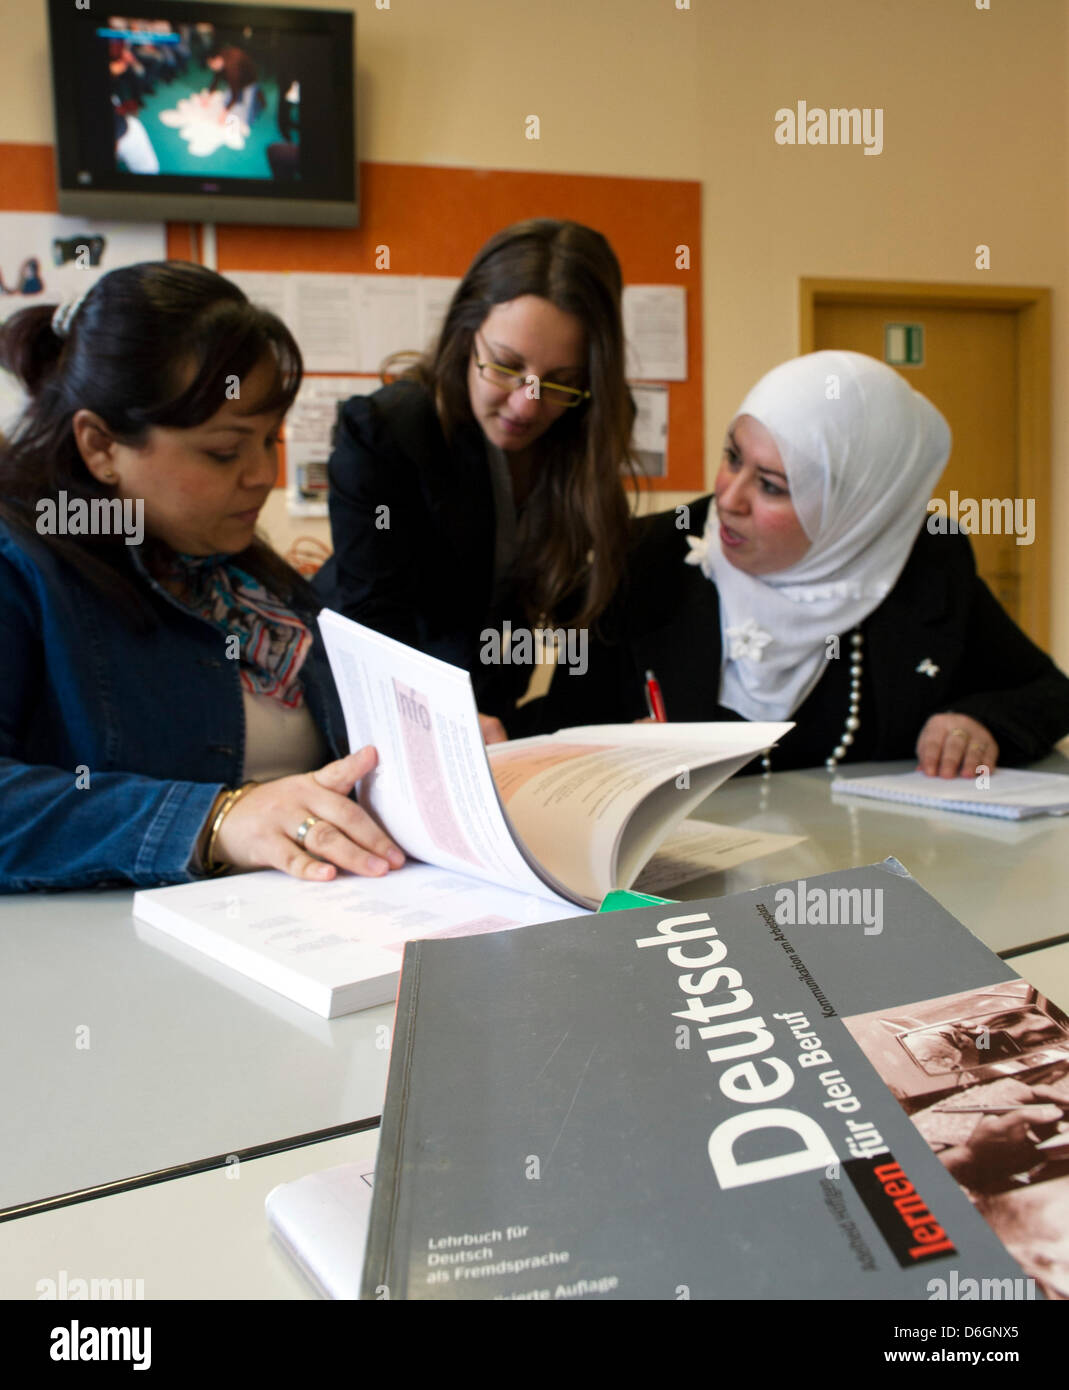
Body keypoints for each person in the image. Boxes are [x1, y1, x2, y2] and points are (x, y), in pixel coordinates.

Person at [0, 262, 403, 892]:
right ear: (101, 447)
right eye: (223, 451)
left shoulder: (236, 565)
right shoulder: (20, 566)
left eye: (270, 439)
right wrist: (215, 820)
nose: (259, 475)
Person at [544, 351, 1069, 774]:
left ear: (854, 512)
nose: (730, 498)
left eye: (772, 486)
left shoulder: (924, 565)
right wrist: (609, 755)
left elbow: (1047, 693)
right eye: (732, 457)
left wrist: (978, 723)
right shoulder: (644, 555)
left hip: (877, 881)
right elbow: (561, 729)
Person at [315, 219, 638, 740]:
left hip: (492, 716)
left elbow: (579, 620)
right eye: (507, 366)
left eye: (561, 383)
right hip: (375, 718)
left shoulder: (585, 433)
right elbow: (374, 630)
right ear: (467, 331)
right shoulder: (387, 433)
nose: (526, 406)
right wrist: (443, 723)